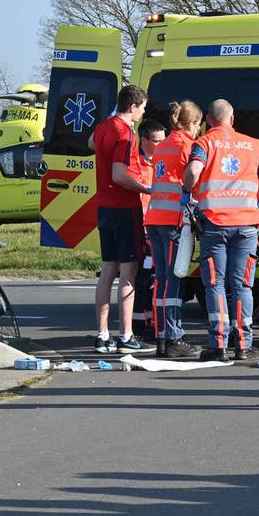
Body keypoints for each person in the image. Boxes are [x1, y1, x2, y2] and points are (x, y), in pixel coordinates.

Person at [183, 99, 259, 361]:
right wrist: (254, 202)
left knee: (215, 284)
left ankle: (218, 344)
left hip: (215, 224)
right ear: (232, 118)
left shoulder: (204, 143)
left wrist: (190, 191)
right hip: (247, 225)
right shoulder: (253, 145)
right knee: (242, 286)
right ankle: (243, 344)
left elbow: (193, 170)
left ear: (207, 119)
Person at [89, 85, 152, 355]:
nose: (143, 113)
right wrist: (147, 188)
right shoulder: (126, 133)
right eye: (143, 108)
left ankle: (102, 334)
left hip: (104, 207)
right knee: (128, 272)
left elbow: (91, 143)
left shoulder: (104, 126)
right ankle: (126, 335)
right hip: (124, 208)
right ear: (133, 106)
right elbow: (119, 175)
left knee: (107, 271)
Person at [144, 102, 203, 358]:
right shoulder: (187, 146)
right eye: (199, 124)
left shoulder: (164, 144)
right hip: (172, 221)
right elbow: (193, 179)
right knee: (174, 280)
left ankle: (162, 335)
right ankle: (173, 337)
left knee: (161, 279)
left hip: (155, 218)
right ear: (193, 123)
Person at [131, 118, 167, 340]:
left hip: (160, 229)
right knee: (142, 282)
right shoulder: (135, 164)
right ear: (144, 140)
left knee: (156, 281)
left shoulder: (164, 161)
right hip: (142, 230)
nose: (162, 146)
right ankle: (139, 327)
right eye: (157, 141)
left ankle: (153, 324)